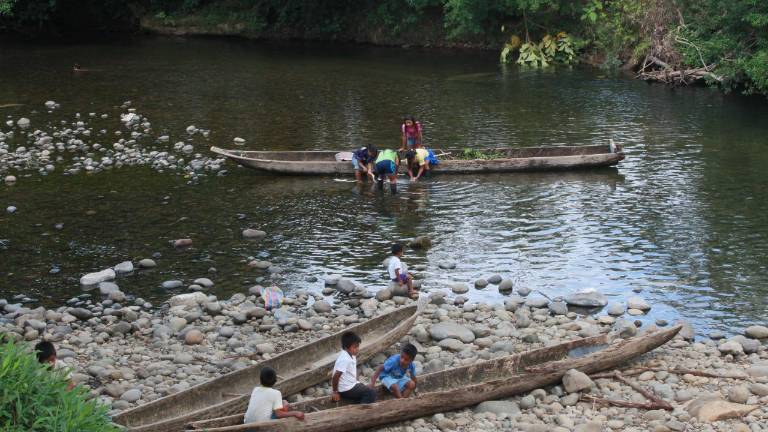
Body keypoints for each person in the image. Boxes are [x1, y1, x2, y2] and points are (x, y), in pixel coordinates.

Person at [332, 332, 377, 404]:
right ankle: (361, 411)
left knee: (369, 389)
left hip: (351, 385)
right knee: (371, 393)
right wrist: (335, 392)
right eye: (355, 347)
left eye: (358, 346)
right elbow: (336, 376)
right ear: (347, 347)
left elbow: (352, 370)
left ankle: (359, 404)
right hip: (345, 389)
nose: (357, 349)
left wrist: (357, 382)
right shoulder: (344, 359)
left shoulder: (352, 355)